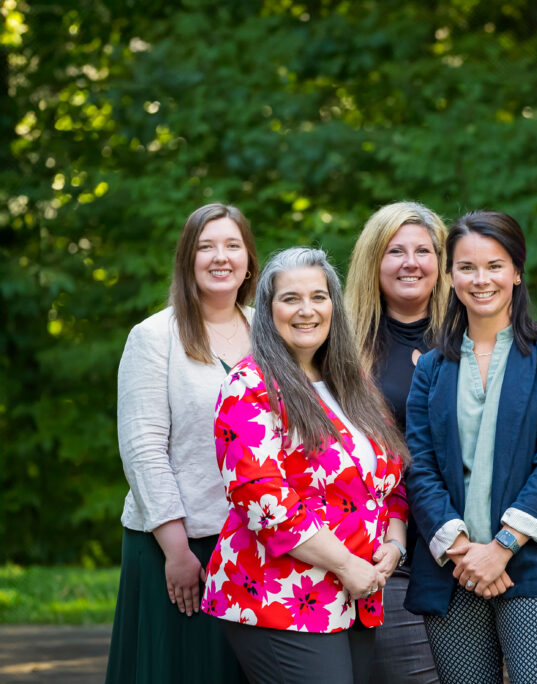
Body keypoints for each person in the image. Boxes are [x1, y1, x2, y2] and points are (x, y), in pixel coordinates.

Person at [201, 247, 410, 684]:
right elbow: (263, 501)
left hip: (359, 594)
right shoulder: (249, 385)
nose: (306, 310)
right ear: (267, 310)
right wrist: (348, 566)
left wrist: (394, 544)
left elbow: (389, 482)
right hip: (279, 596)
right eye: (290, 298)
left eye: (318, 296)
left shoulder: (355, 385)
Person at [403, 211, 537, 684]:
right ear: (449, 276)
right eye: (466, 267)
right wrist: (465, 552)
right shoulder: (430, 368)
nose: (480, 279)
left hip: (535, 566)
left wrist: (502, 548)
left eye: (495, 265)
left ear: (517, 272)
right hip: (453, 569)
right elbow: (419, 468)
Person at [107, 203, 257, 684]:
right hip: (176, 544)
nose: (220, 257)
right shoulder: (154, 337)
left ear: (249, 260)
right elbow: (142, 450)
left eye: (232, 245)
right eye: (205, 246)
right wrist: (177, 549)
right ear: (186, 259)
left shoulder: (270, 331)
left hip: (258, 543)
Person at [345, 201, 448, 683]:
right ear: (373, 261)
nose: (411, 262)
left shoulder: (470, 333)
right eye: (395, 251)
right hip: (387, 547)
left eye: (423, 250)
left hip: (468, 537)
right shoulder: (342, 345)